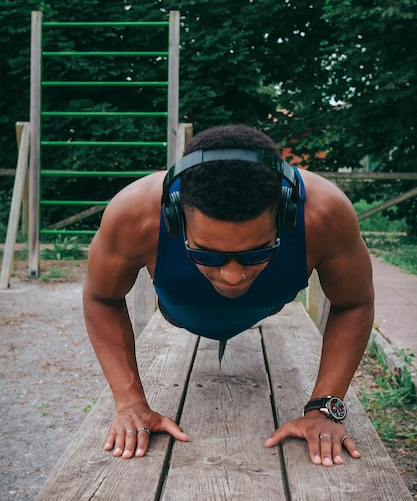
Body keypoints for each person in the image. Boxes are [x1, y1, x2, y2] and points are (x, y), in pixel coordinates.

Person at [83, 124, 374, 468]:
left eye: (256, 253)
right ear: (175, 219)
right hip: (178, 309)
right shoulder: (134, 213)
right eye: (207, 255)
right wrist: (130, 403)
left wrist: (325, 407)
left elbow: (353, 302)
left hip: (267, 305)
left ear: (286, 213)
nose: (233, 276)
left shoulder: (324, 212)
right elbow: (101, 298)